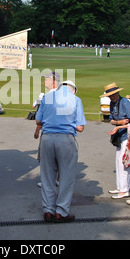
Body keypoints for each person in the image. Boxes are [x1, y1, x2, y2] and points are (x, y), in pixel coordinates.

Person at [34, 80, 86, 223]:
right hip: (65, 140)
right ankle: (61, 211)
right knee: (66, 177)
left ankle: (48, 210)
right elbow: (80, 127)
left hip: (47, 138)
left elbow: (38, 121)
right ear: (73, 90)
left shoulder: (47, 98)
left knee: (47, 176)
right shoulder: (76, 99)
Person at [101, 82, 130, 199]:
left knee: (124, 162)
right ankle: (121, 187)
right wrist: (119, 123)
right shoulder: (113, 104)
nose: (111, 97)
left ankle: (124, 190)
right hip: (120, 135)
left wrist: (119, 126)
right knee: (118, 161)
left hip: (129, 135)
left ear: (117, 93)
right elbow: (111, 120)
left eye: (113, 95)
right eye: (109, 96)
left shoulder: (125, 103)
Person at [35, 71, 60, 188]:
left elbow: (39, 118)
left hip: (48, 132)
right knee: (58, 158)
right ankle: (57, 179)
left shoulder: (47, 97)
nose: (44, 81)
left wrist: (37, 128)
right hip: (62, 133)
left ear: (52, 81)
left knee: (46, 158)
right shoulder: (64, 96)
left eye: (46, 79)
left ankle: (48, 180)